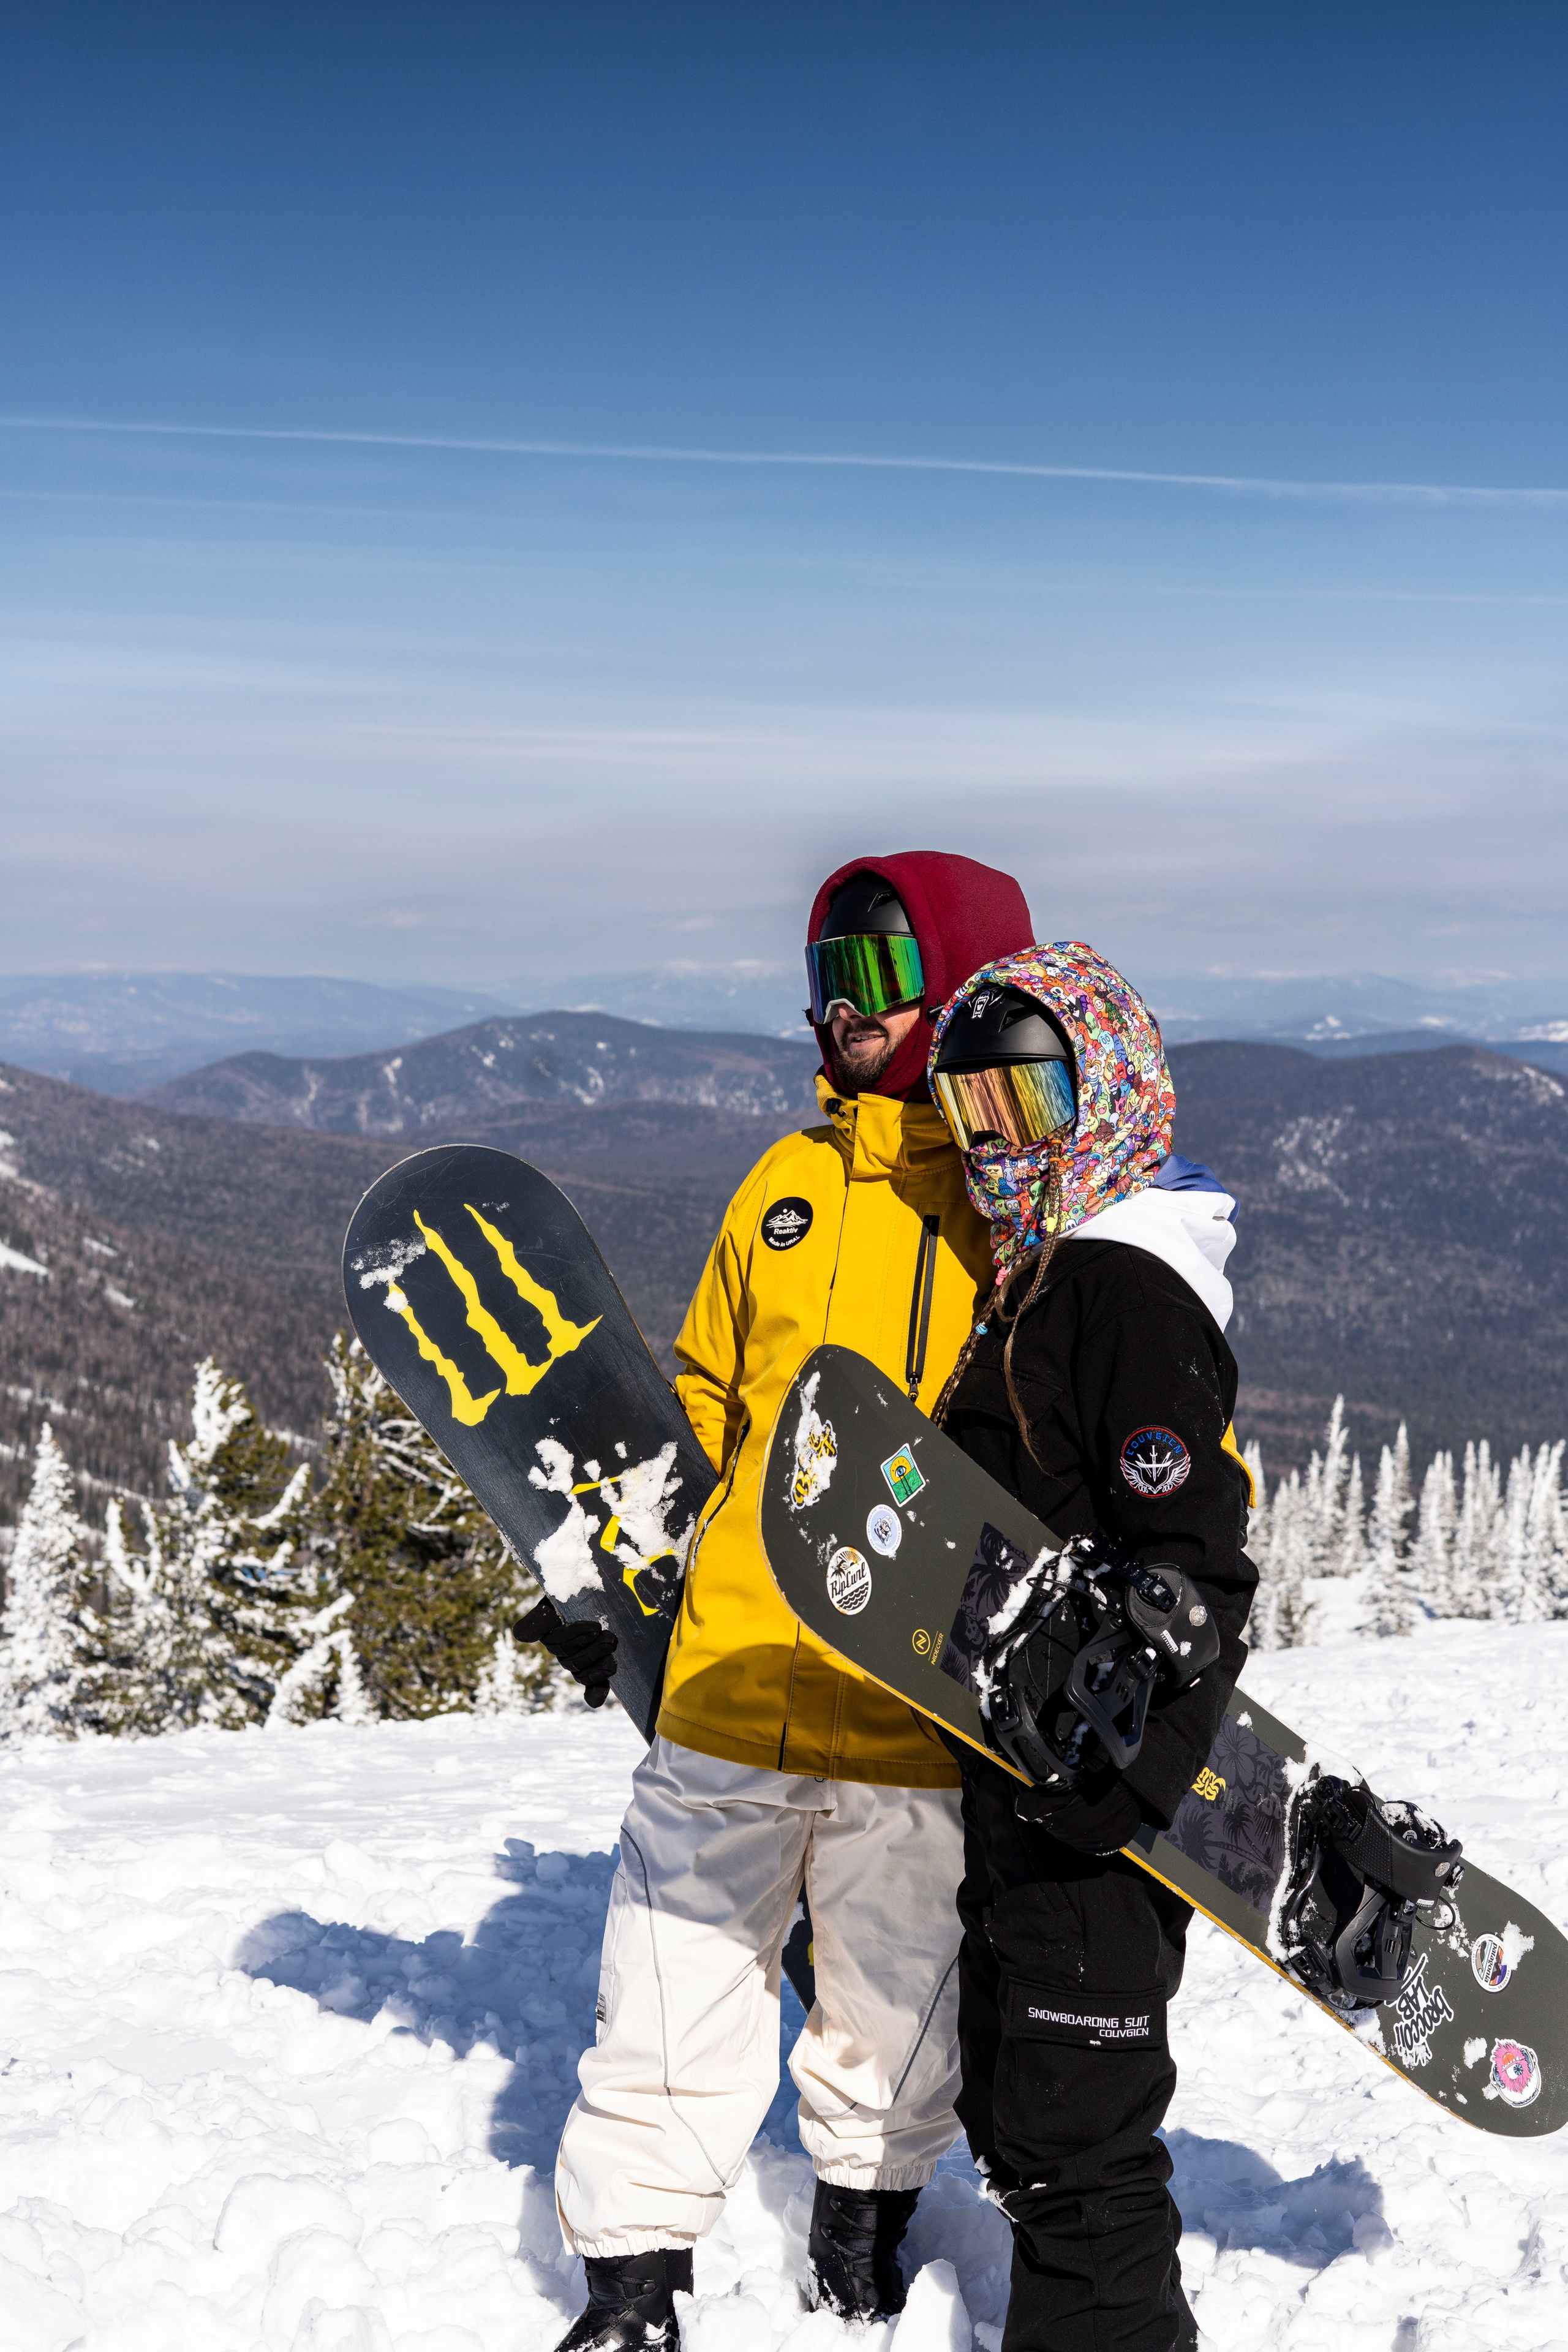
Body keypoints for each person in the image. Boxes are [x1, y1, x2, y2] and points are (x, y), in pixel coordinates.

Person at [542, 852, 1035, 2350]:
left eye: (879, 979)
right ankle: (631, 2291)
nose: (842, 1011)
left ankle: (860, 2243)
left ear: (956, 986)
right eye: (826, 977)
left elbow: (1112, 1412)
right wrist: (606, 1568)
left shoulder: (1019, 1213)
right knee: (664, 1994)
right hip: (733, 1674)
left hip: (910, 1704)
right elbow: (695, 1395)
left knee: (890, 2016)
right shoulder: (782, 1185)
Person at [924, 943, 1257, 2352]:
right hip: (1024, 1789)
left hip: (1090, 1815)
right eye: (971, 1116)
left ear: (1107, 1088)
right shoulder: (1048, 1266)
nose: (1000, 1146)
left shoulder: (1120, 1283)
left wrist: (1137, 1771)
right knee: (1014, 2112)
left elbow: (1195, 1560)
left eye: (1030, 1105)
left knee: (1077, 2152)